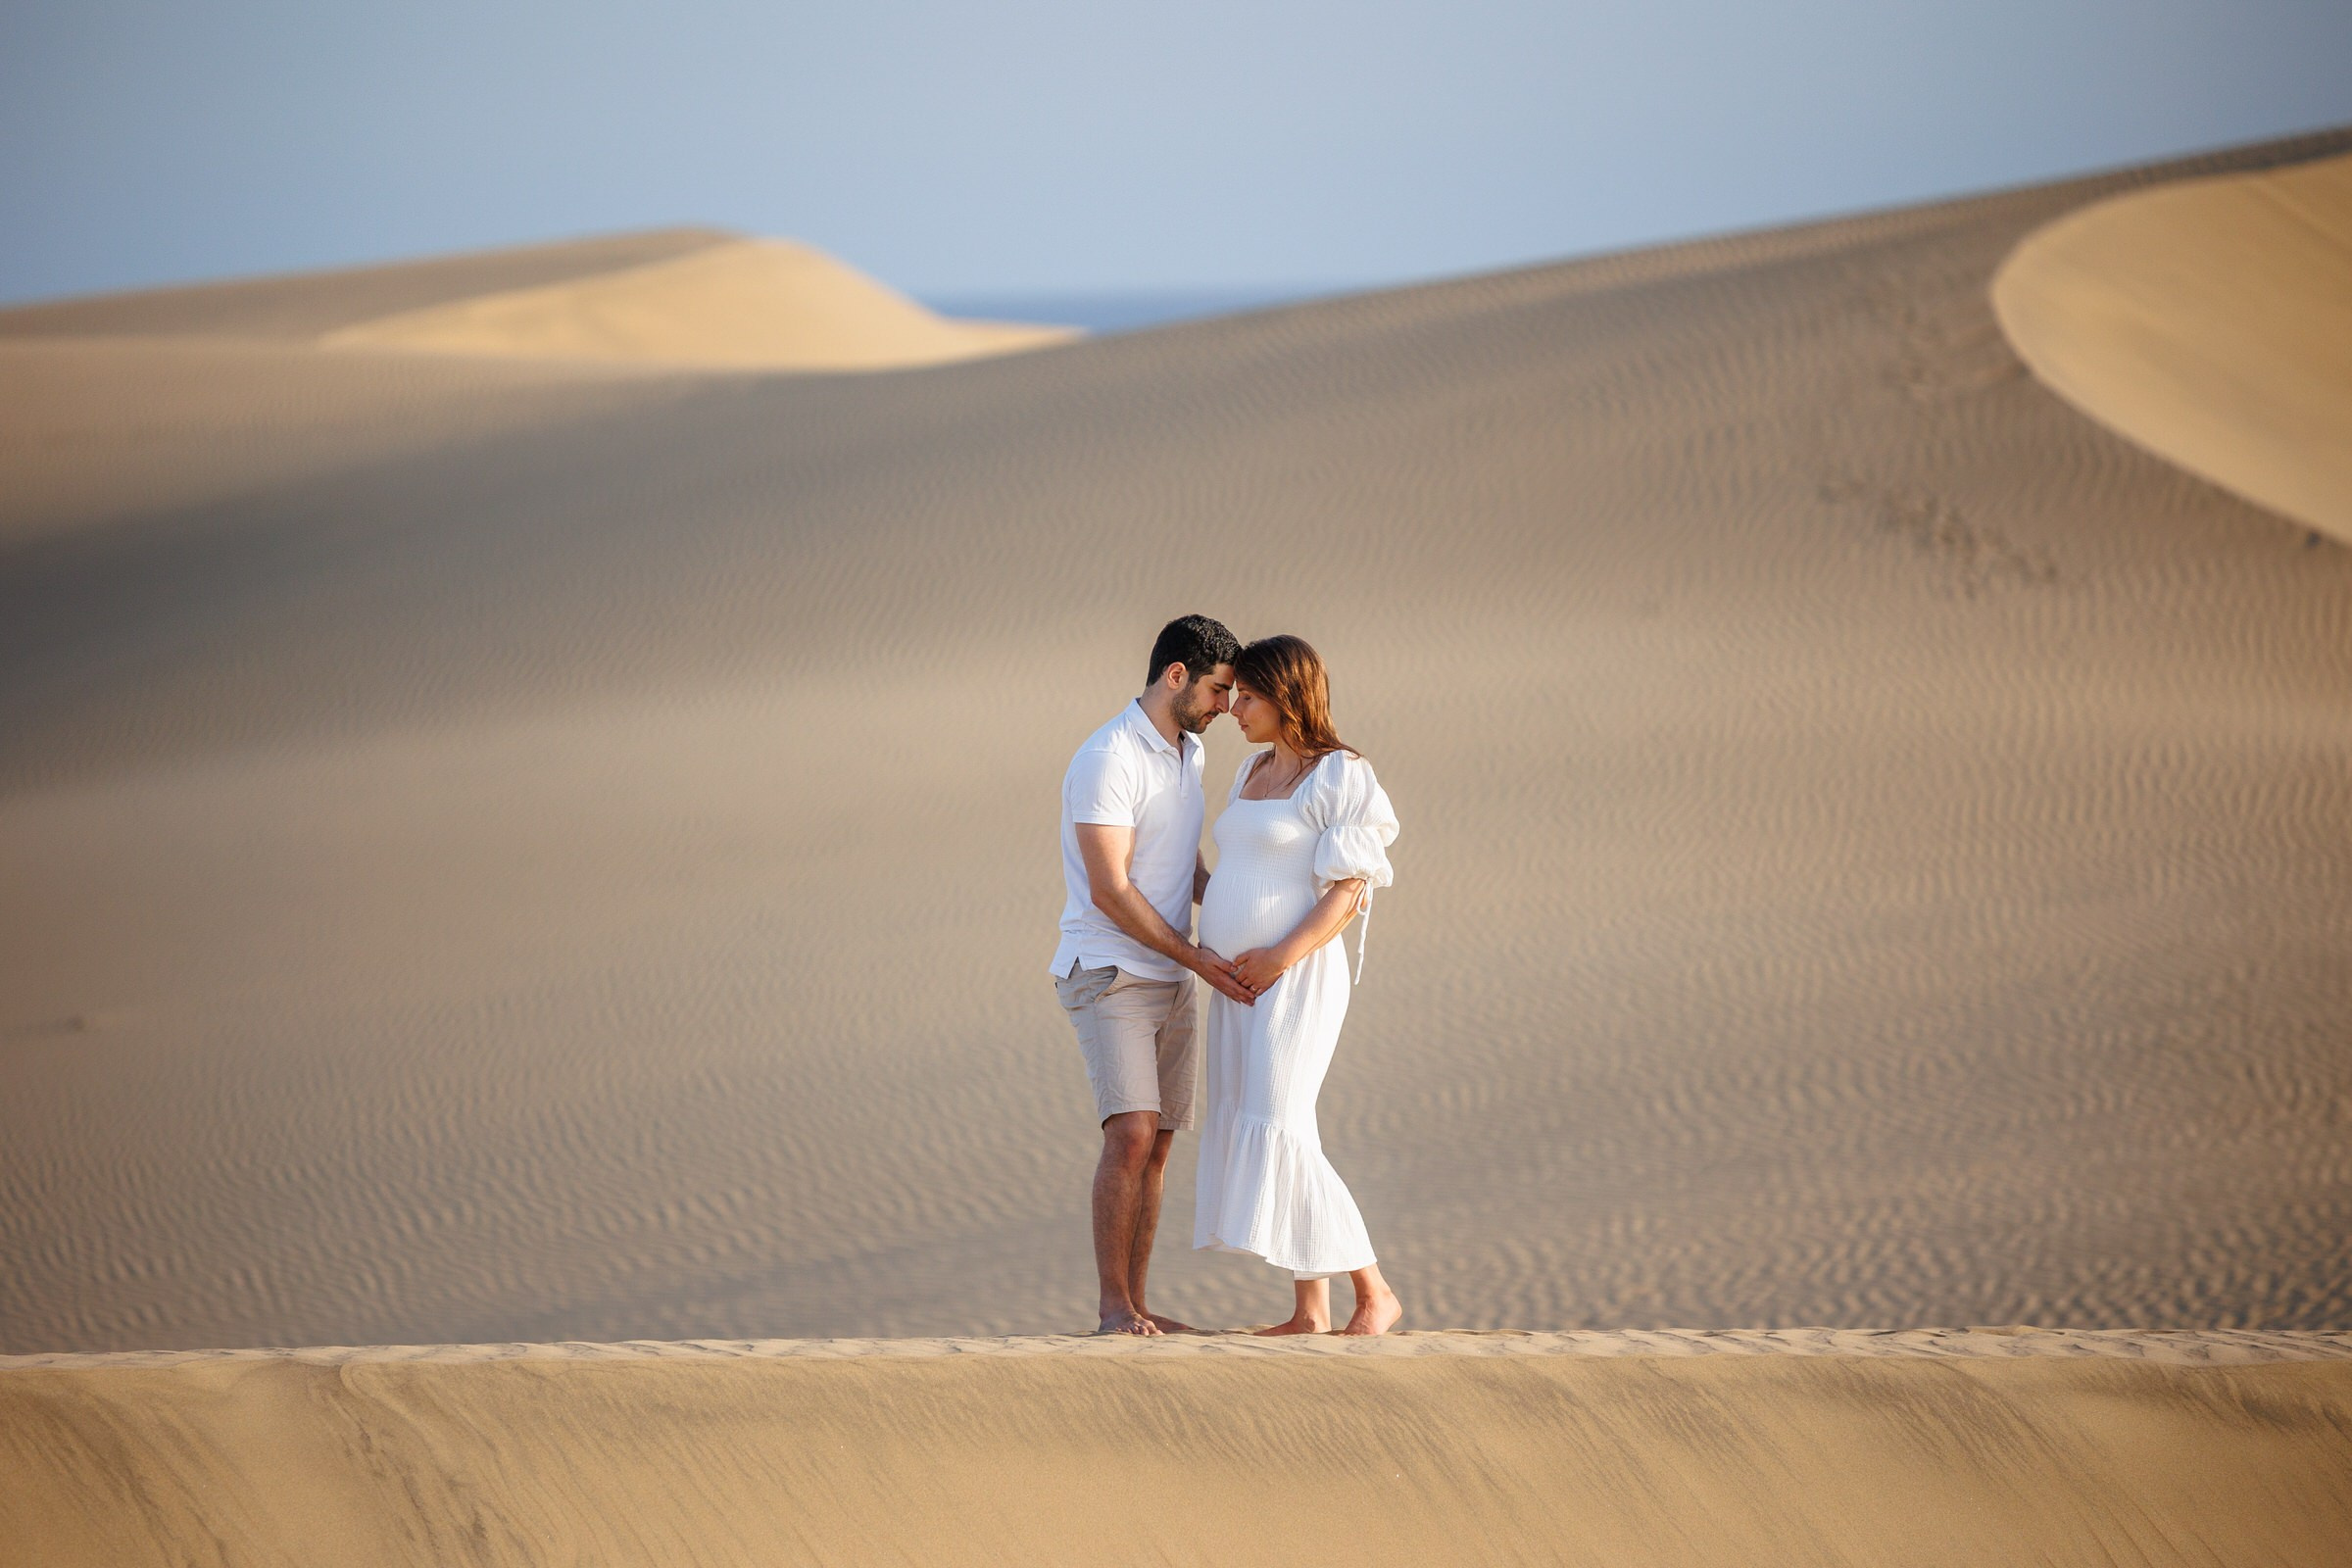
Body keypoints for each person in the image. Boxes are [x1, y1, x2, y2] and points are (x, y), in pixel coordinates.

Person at [1194, 634, 1404, 1336]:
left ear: (1286, 696)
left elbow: (1350, 889)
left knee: (1281, 1123)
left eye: (1248, 696)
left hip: (1296, 977)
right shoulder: (1251, 772)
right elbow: (1240, 873)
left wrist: (1278, 956)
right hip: (1238, 985)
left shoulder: (1339, 774)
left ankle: (1374, 1293)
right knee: (1282, 1127)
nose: (1234, 709)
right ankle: (1309, 1310)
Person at [1053, 614, 1256, 1336]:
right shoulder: (1109, 757)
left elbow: (1180, 865)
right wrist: (1195, 955)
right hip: (1109, 968)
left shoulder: (1187, 754)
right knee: (1132, 1133)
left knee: (1161, 1140)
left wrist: (1232, 908)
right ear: (1177, 676)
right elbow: (1111, 888)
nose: (1227, 707)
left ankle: (1139, 1304)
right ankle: (1113, 1310)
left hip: (1171, 971)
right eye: (1218, 690)